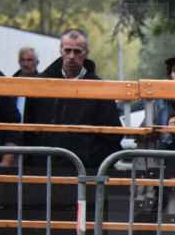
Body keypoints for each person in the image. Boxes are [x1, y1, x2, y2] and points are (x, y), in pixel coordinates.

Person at [21, 29, 122, 173]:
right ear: (60, 51)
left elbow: (113, 135)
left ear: (86, 53)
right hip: (44, 169)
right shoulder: (41, 85)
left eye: (77, 51)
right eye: (67, 50)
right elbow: (29, 130)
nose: (71, 56)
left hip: (85, 171)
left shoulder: (100, 89)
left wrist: (91, 161)